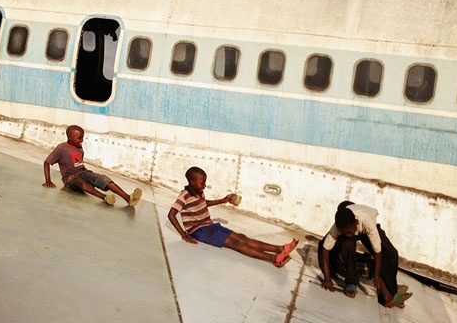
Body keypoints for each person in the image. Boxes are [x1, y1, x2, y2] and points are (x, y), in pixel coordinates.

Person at [167, 166, 298, 267]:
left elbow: (203, 203)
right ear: (192, 182)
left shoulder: (199, 192)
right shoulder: (184, 195)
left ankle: (279, 249)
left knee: (242, 237)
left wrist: (222, 200)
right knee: (237, 244)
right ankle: (274, 259)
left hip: (209, 226)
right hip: (199, 232)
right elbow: (171, 214)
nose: (205, 185)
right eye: (202, 182)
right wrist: (184, 234)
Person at [318, 201, 412, 308]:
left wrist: (377, 275)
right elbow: (325, 249)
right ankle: (351, 282)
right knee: (347, 243)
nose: (347, 235)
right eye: (344, 233)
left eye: (349, 232)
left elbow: (378, 251)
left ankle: (390, 293)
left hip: (367, 225)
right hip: (351, 227)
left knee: (391, 254)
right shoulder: (337, 227)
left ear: (356, 222)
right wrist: (327, 278)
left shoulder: (367, 222)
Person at [42, 125, 142, 207]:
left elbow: (80, 163)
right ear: (70, 137)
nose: (81, 140)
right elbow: (47, 163)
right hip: (70, 179)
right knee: (78, 180)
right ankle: (105, 197)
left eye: (82, 137)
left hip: (83, 173)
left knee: (103, 179)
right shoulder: (61, 148)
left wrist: (89, 177)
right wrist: (48, 180)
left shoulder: (79, 147)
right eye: (79, 138)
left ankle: (128, 198)